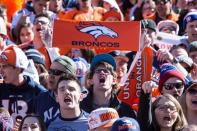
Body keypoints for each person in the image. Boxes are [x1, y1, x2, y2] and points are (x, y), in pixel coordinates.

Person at [80, 53, 136, 118]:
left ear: (114, 80)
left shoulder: (125, 110)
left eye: (106, 71)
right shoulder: (79, 107)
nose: (102, 73)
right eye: (98, 71)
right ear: (90, 80)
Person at [0, 45, 46, 123]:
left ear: (18, 69)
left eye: (4, 66)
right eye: (0, 66)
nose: (1, 71)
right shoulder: (1, 88)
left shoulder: (38, 92)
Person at [32, 55, 77, 127]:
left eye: (56, 72)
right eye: (50, 71)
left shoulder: (81, 99)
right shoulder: (42, 98)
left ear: (70, 76)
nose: (51, 75)